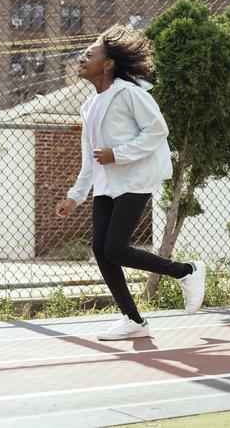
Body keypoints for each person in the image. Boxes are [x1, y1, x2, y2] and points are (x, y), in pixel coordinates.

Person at [56, 24, 205, 341]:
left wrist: (119, 154)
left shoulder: (130, 93)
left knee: (116, 249)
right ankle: (133, 320)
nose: (82, 58)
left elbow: (156, 130)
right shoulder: (90, 105)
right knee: (101, 250)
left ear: (108, 63)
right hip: (106, 185)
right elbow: (90, 157)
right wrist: (75, 195)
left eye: (90, 54)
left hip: (134, 179)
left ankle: (186, 271)